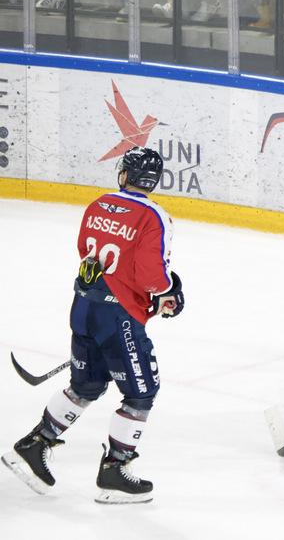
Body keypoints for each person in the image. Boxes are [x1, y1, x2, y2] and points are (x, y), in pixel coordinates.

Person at [1, 147, 185, 504]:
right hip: (119, 318)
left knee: (86, 385)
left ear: (124, 174)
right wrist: (167, 292)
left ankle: (34, 445)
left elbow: (87, 249)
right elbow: (151, 276)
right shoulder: (154, 216)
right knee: (142, 392)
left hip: (84, 305)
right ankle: (115, 469)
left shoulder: (99, 204)